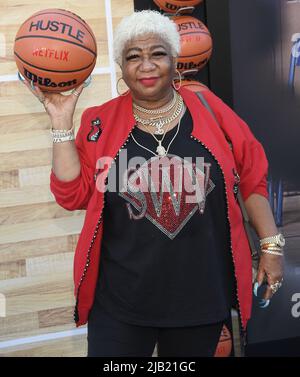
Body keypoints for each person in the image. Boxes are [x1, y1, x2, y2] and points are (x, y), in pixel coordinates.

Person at [21, 10, 284, 357]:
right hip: (120, 305)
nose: (146, 65)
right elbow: (73, 195)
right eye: (133, 56)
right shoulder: (98, 120)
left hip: (199, 299)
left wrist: (272, 246)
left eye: (157, 53)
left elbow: (252, 179)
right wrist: (61, 121)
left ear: (175, 61)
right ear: (122, 67)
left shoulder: (211, 110)